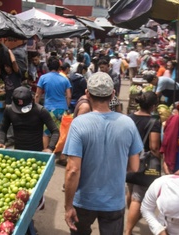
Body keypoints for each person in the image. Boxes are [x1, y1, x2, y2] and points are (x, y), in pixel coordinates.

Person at [63, 72, 142, 235]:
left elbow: (72, 170)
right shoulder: (128, 123)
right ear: (113, 94)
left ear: (87, 94)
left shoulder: (78, 124)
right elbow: (134, 166)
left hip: (83, 202)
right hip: (114, 202)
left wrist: (68, 206)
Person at [126, 91, 161, 235]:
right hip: (144, 164)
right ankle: (128, 231)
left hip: (128, 160)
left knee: (131, 190)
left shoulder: (129, 118)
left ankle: (130, 218)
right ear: (153, 106)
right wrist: (159, 157)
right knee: (138, 197)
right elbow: (153, 147)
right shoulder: (154, 122)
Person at [0, 86, 59, 152]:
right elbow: (2, 129)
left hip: (36, 151)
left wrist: (50, 148)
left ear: (32, 100)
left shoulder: (40, 111)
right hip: (18, 151)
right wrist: (1, 141)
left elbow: (55, 131)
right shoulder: (9, 110)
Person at [35, 56, 72, 162]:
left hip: (48, 109)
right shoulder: (64, 78)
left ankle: (45, 155)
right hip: (62, 109)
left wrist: (35, 107)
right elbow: (69, 96)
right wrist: (66, 106)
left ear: (48, 66)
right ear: (59, 67)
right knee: (62, 133)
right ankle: (62, 156)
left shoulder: (43, 78)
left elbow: (38, 95)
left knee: (46, 132)